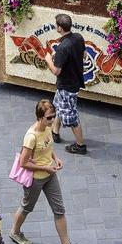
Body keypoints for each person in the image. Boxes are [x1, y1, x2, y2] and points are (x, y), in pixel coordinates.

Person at [7, 98, 86, 244]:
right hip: (36, 179)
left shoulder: (47, 129)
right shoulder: (31, 136)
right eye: (49, 117)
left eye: (53, 116)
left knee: (59, 210)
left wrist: (55, 158)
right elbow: (23, 163)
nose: (52, 120)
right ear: (40, 117)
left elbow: (48, 147)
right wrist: (45, 168)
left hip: (50, 175)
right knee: (27, 207)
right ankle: (15, 232)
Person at [44, 13, 89, 155]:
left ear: (59, 28)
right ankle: (55, 132)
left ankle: (80, 146)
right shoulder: (78, 38)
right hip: (75, 80)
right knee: (57, 105)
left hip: (67, 86)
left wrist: (48, 60)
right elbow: (83, 55)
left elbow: (56, 71)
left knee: (71, 117)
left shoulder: (63, 47)